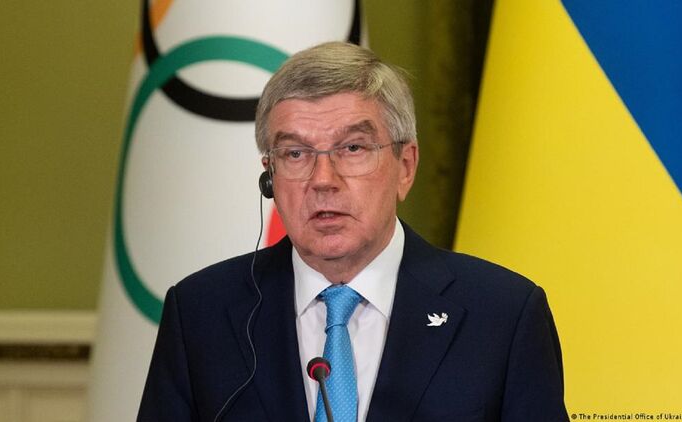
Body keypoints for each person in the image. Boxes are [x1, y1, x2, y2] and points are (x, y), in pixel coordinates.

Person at [137, 41, 568, 422]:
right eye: (295, 153)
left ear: (405, 166)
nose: (323, 180)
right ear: (270, 176)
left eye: (353, 148)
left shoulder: (502, 315)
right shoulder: (200, 314)